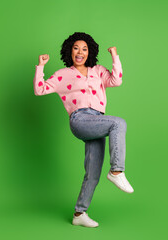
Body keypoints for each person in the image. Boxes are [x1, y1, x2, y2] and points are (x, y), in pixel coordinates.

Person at [33, 32, 134, 228]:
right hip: (80, 119)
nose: (80, 52)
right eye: (76, 48)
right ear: (70, 50)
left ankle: (79, 213)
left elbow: (116, 81)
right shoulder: (63, 75)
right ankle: (116, 171)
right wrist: (41, 67)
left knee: (93, 173)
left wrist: (115, 56)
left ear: (90, 52)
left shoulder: (97, 70)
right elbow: (40, 89)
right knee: (118, 123)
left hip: (98, 120)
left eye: (85, 49)